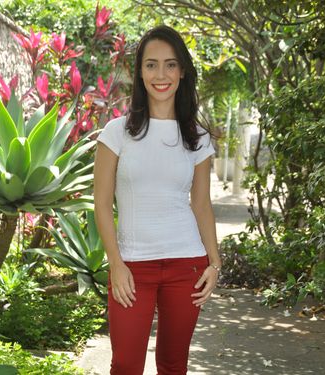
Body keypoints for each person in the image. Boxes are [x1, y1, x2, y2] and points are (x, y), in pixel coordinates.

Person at [94, 25, 221, 375]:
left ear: (182, 71)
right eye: (151, 65)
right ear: (139, 72)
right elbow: (102, 204)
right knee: (125, 365)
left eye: (170, 64)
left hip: (187, 267)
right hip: (133, 267)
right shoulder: (116, 132)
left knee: (173, 364)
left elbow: (201, 204)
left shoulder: (197, 137)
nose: (160, 74)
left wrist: (214, 262)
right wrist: (116, 264)